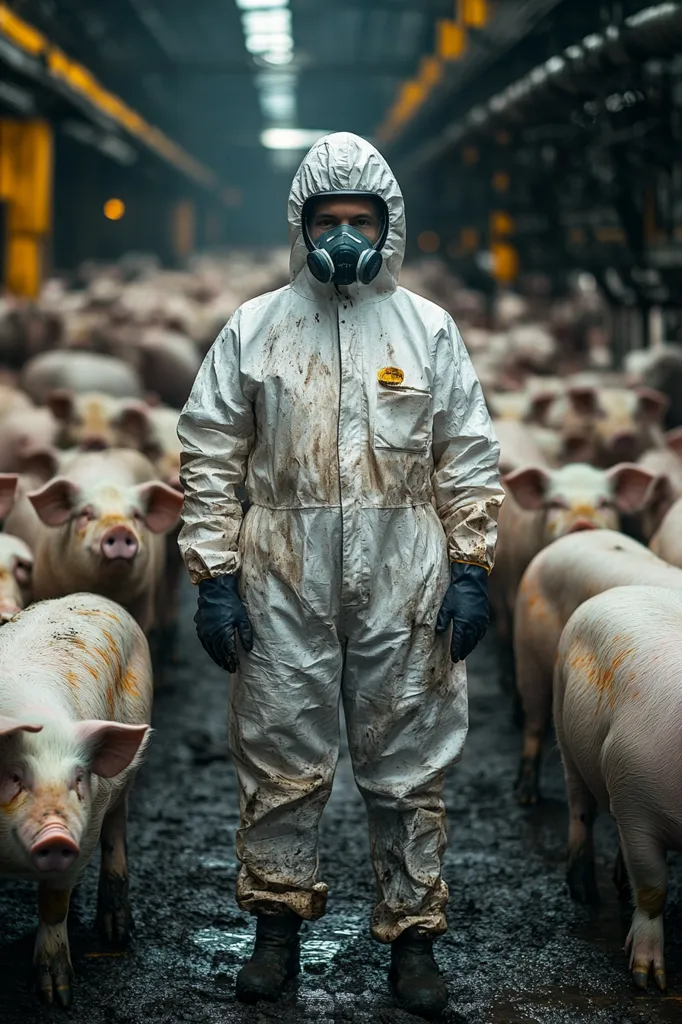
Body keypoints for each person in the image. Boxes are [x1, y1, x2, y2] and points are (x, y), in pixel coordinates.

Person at [177, 131, 503, 1020]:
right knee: (280, 754)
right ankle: (278, 930)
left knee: (408, 763)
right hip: (283, 566)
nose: (346, 235)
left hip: (406, 566)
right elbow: (210, 453)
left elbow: (467, 455)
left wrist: (472, 565)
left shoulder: (428, 328)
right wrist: (214, 572)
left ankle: (414, 937)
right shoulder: (254, 328)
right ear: (302, 225)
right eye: (331, 220)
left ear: (390, 227)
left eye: (363, 220)